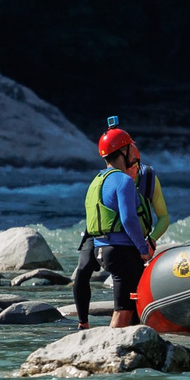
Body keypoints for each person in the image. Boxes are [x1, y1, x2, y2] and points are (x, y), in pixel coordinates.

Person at [76, 125, 168, 329]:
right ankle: (108, 353)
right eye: (130, 150)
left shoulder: (97, 180)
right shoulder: (123, 180)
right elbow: (128, 220)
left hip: (101, 250)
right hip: (122, 253)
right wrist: (144, 249)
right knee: (123, 311)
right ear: (123, 152)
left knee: (127, 310)